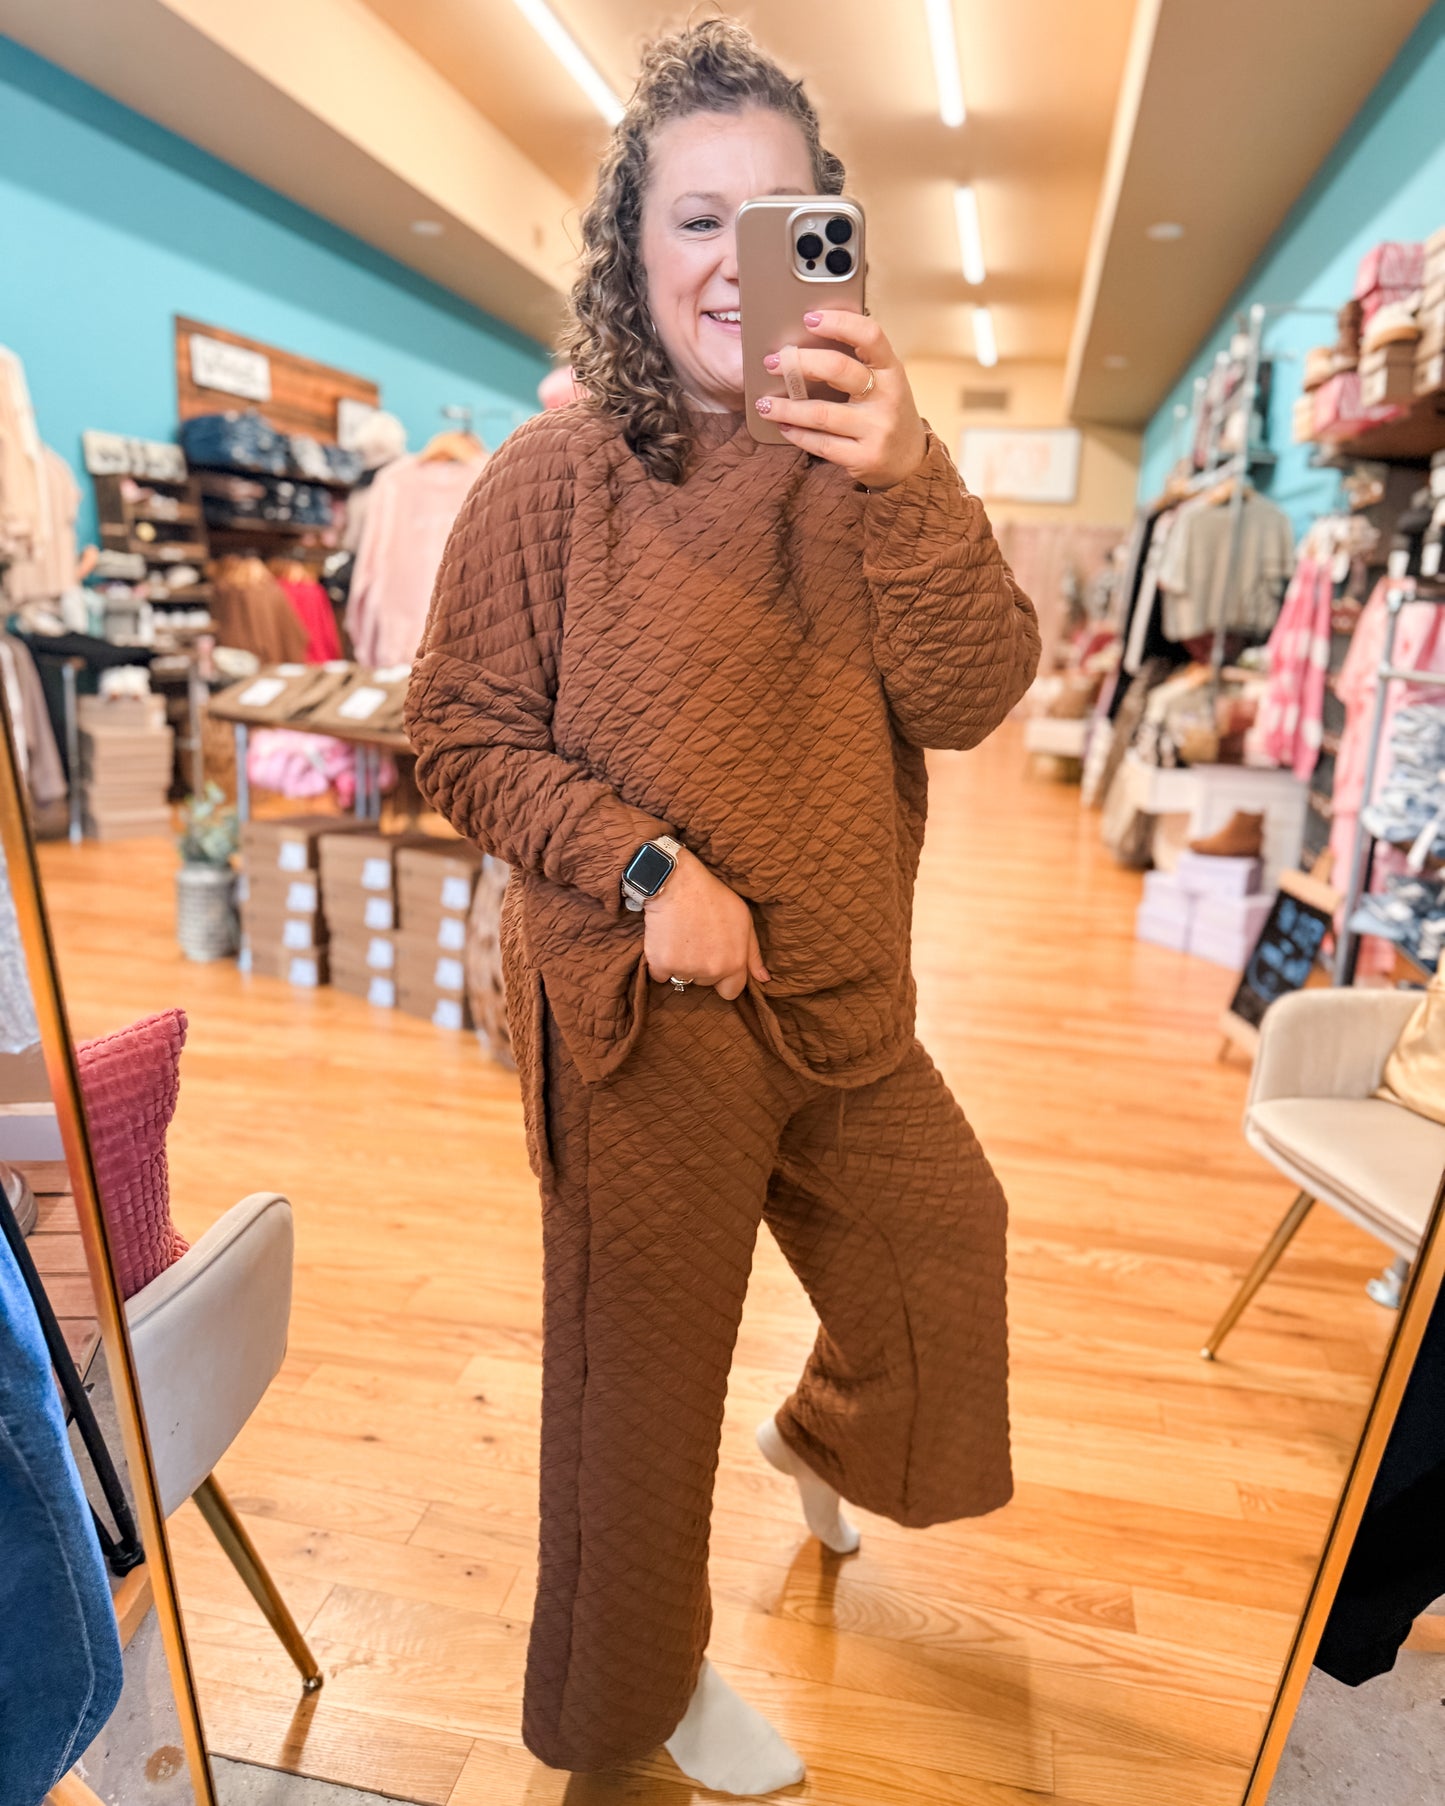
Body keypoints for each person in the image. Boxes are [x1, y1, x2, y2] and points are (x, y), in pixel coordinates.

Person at [406, 18, 1040, 1796]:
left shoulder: (871, 471)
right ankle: (631, 1710)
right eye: (693, 218)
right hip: (645, 1017)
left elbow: (976, 690)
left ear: (825, 242)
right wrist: (643, 866)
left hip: (844, 1000)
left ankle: (823, 1439)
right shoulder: (551, 479)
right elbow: (451, 731)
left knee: (944, 1254)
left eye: (774, 219)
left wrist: (909, 475)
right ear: (629, 248)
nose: (728, 258)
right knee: (637, 1406)